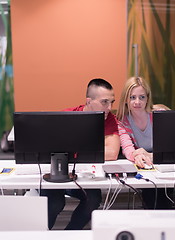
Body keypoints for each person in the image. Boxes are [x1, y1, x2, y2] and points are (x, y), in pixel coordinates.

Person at [41, 78, 120, 230]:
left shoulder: (109, 119)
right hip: (57, 172)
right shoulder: (66, 117)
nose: (110, 107)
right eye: (104, 102)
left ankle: (69, 235)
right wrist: (92, 150)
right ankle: (42, 236)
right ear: (89, 101)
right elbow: (47, 150)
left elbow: (112, 153)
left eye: (112, 102)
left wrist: (75, 151)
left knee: (93, 199)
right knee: (55, 203)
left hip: (84, 175)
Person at [116, 76, 172, 209]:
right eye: (132, 97)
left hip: (166, 168)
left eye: (142, 97)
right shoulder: (122, 122)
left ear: (148, 98)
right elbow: (127, 148)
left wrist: (149, 155)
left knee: (161, 192)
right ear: (125, 99)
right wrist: (136, 155)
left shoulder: (159, 115)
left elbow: (171, 148)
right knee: (151, 190)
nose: (137, 102)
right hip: (146, 169)